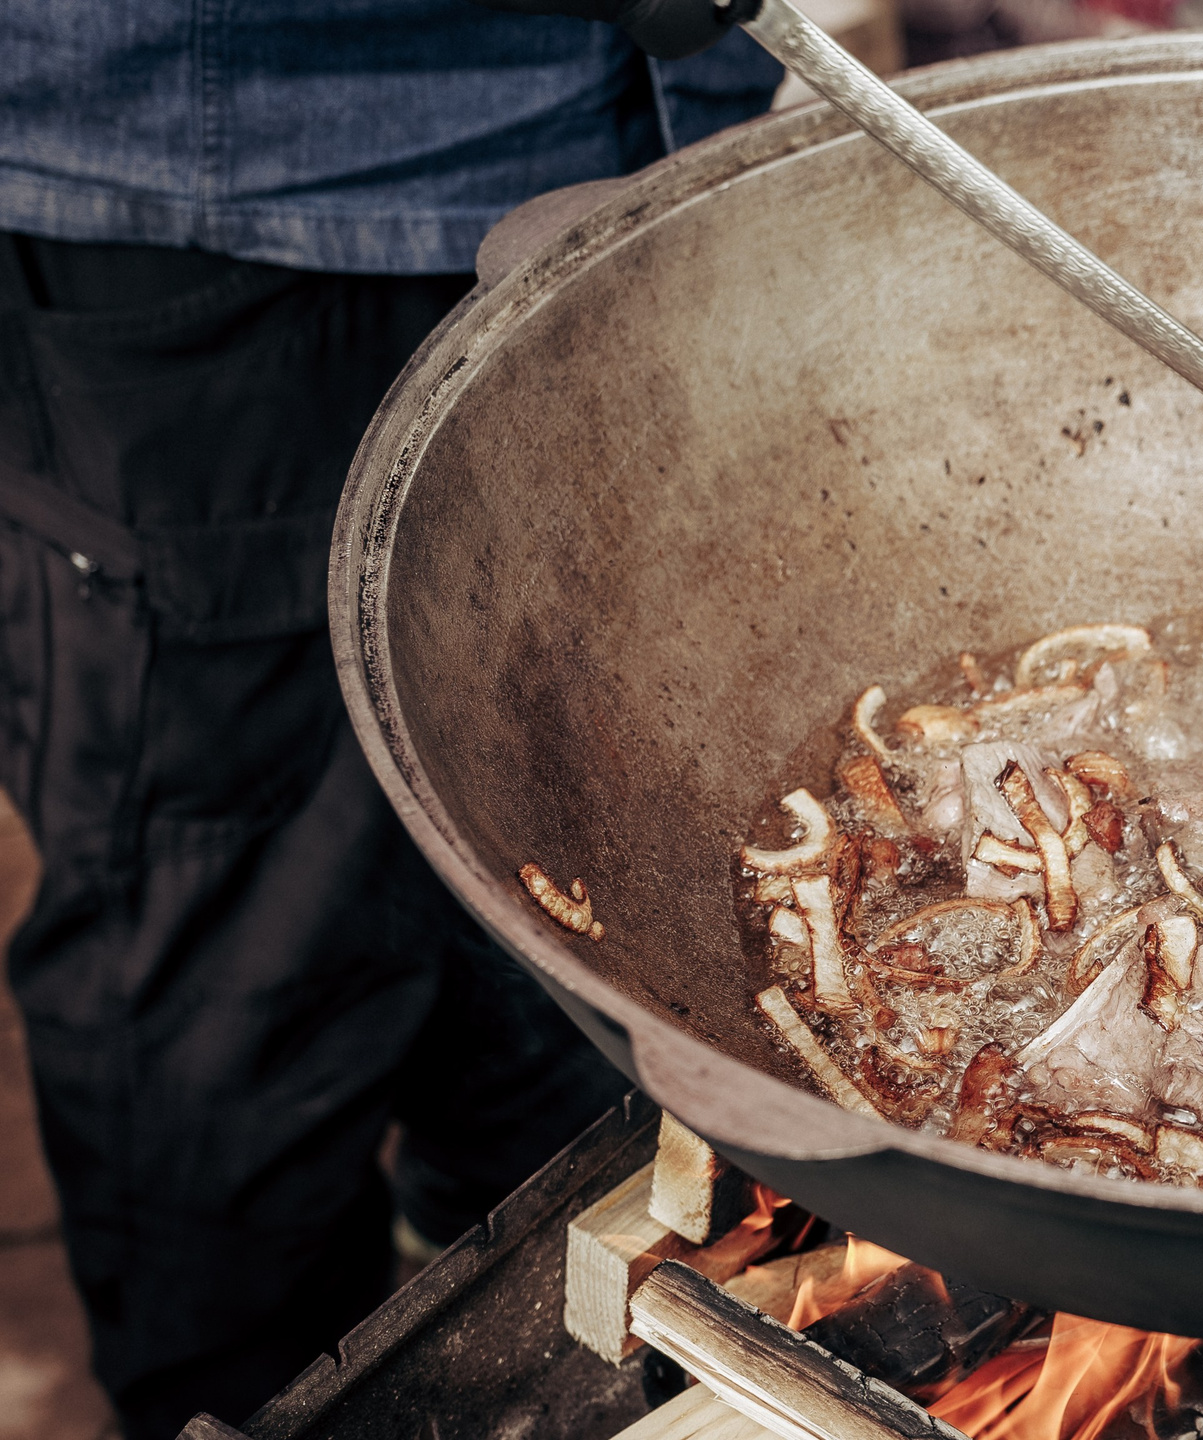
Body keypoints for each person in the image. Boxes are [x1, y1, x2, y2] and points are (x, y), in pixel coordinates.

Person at [0, 4, 776, 1434]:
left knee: (558, 905)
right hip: (231, 211)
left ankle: (507, 1363)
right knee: (235, 976)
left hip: (616, 168)